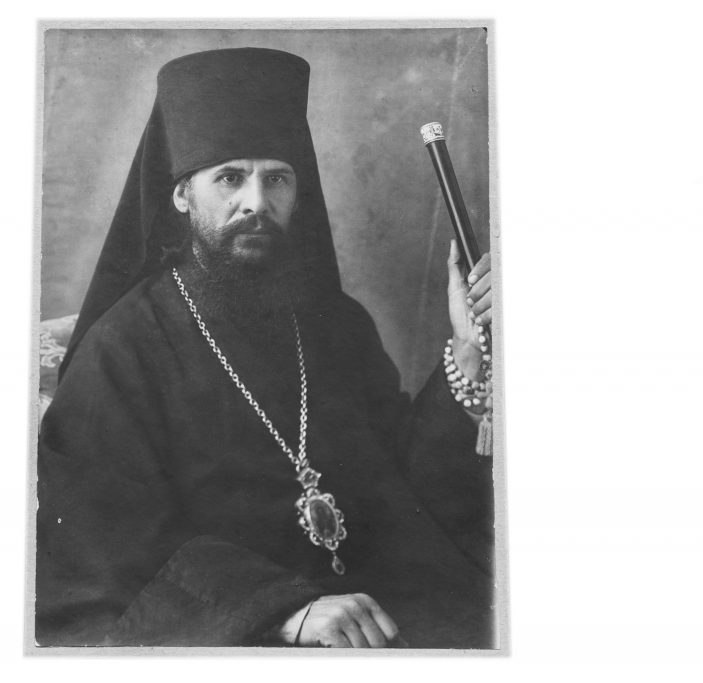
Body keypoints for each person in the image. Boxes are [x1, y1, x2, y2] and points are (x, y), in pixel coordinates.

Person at [36, 47, 495, 648]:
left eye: (276, 178)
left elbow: (401, 483)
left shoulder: (338, 325)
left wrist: (465, 347)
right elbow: (105, 544)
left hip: (374, 603)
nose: (256, 201)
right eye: (230, 177)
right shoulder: (120, 350)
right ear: (181, 196)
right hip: (236, 632)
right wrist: (283, 611)